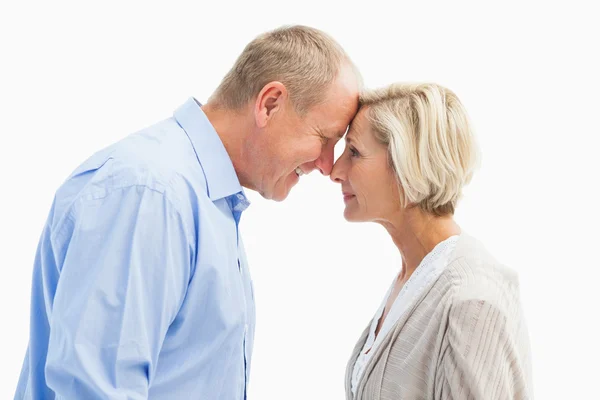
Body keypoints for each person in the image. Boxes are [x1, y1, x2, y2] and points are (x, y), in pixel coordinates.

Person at [15, 25, 360, 399]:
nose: (327, 165)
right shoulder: (152, 194)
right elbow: (97, 390)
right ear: (270, 103)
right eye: (325, 139)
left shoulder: (198, 199)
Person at [330, 83, 532, 399]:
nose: (335, 170)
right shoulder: (414, 276)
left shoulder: (471, 301)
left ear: (407, 164)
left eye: (354, 152)